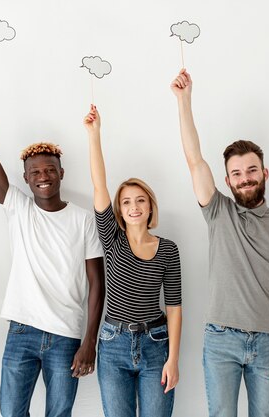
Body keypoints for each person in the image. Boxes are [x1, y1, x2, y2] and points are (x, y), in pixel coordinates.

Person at [0, 61, 105, 417]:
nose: (43, 176)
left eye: (50, 170)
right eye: (35, 172)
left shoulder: (83, 219)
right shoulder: (18, 208)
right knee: (11, 413)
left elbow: (96, 283)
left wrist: (90, 341)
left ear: (61, 174)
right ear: (25, 179)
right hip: (22, 333)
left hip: (66, 337)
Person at [170, 69, 269, 417]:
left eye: (251, 170)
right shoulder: (218, 211)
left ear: (265, 173)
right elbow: (193, 159)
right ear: (228, 180)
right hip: (220, 341)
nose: (245, 179)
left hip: (268, 343)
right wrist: (184, 101)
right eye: (237, 173)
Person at [84, 105, 182, 417]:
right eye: (126, 202)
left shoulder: (168, 249)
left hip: (156, 342)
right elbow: (100, 186)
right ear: (120, 210)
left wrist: (173, 359)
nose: (134, 206)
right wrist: (94, 135)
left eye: (140, 200)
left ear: (150, 207)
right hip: (113, 343)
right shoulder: (112, 238)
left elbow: (175, 307)